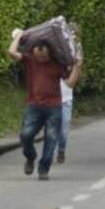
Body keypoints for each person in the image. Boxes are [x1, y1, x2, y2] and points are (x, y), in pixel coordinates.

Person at [8, 31, 83, 180]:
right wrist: (18, 36)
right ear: (33, 51)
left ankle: (44, 169)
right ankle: (30, 156)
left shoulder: (58, 63)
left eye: (44, 56)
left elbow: (70, 83)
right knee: (25, 135)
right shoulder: (29, 59)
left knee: (51, 138)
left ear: (50, 52)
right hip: (33, 105)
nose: (40, 58)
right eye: (38, 55)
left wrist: (77, 66)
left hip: (54, 107)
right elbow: (11, 52)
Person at [56, 22, 84, 164]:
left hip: (66, 96)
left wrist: (76, 63)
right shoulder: (57, 48)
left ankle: (61, 149)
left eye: (75, 34)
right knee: (52, 127)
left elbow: (78, 69)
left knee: (64, 127)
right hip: (53, 95)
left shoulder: (77, 49)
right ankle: (49, 152)